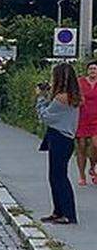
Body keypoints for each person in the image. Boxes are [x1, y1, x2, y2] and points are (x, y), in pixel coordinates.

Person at [38, 63, 82, 225]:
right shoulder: (73, 96)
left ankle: (68, 214)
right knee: (56, 176)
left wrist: (41, 99)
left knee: (59, 177)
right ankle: (59, 211)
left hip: (59, 138)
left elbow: (45, 116)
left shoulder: (61, 98)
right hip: (66, 139)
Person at [77, 60, 97, 186]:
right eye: (91, 68)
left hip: (96, 120)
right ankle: (82, 175)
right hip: (82, 118)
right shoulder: (80, 82)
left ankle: (93, 168)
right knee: (82, 146)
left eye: (95, 69)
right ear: (87, 70)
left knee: (95, 145)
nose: (93, 71)